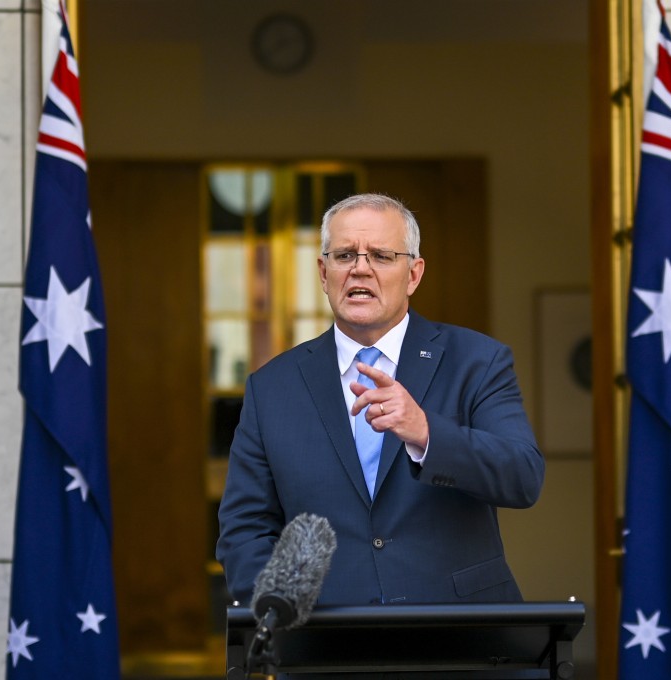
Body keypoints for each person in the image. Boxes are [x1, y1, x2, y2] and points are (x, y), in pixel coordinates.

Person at [216, 193, 544, 609]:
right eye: (345, 255)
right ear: (323, 272)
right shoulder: (272, 387)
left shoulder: (477, 361)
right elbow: (245, 529)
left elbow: (523, 476)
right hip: (325, 642)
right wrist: (280, 610)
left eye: (382, 256)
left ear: (413, 274)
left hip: (460, 633)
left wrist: (426, 433)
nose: (360, 269)